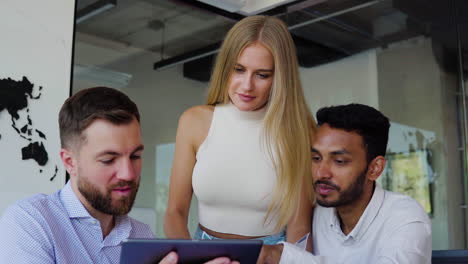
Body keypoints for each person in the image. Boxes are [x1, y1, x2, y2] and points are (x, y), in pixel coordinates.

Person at [0, 87, 238, 264]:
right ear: (69, 162)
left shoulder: (143, 236)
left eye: (135, 156)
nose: (128, 173)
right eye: (108, 160)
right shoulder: (30, 223)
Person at [164, 15, 316, 247]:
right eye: (239, 69)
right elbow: (174, 212)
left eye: (262, 74)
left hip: (271, 255)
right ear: (226, 67)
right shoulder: (194, 121)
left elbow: (300, 226)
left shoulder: (299, 130)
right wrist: (188, 259)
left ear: (280, 78)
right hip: (202, 252)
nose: (247, 85)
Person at [258, 103, 432, 264]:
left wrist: (285, 257)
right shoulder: (317, 213)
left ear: (375, 169)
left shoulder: (405, 218)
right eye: (316, 158)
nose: (321, 173)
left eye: (339, 161)